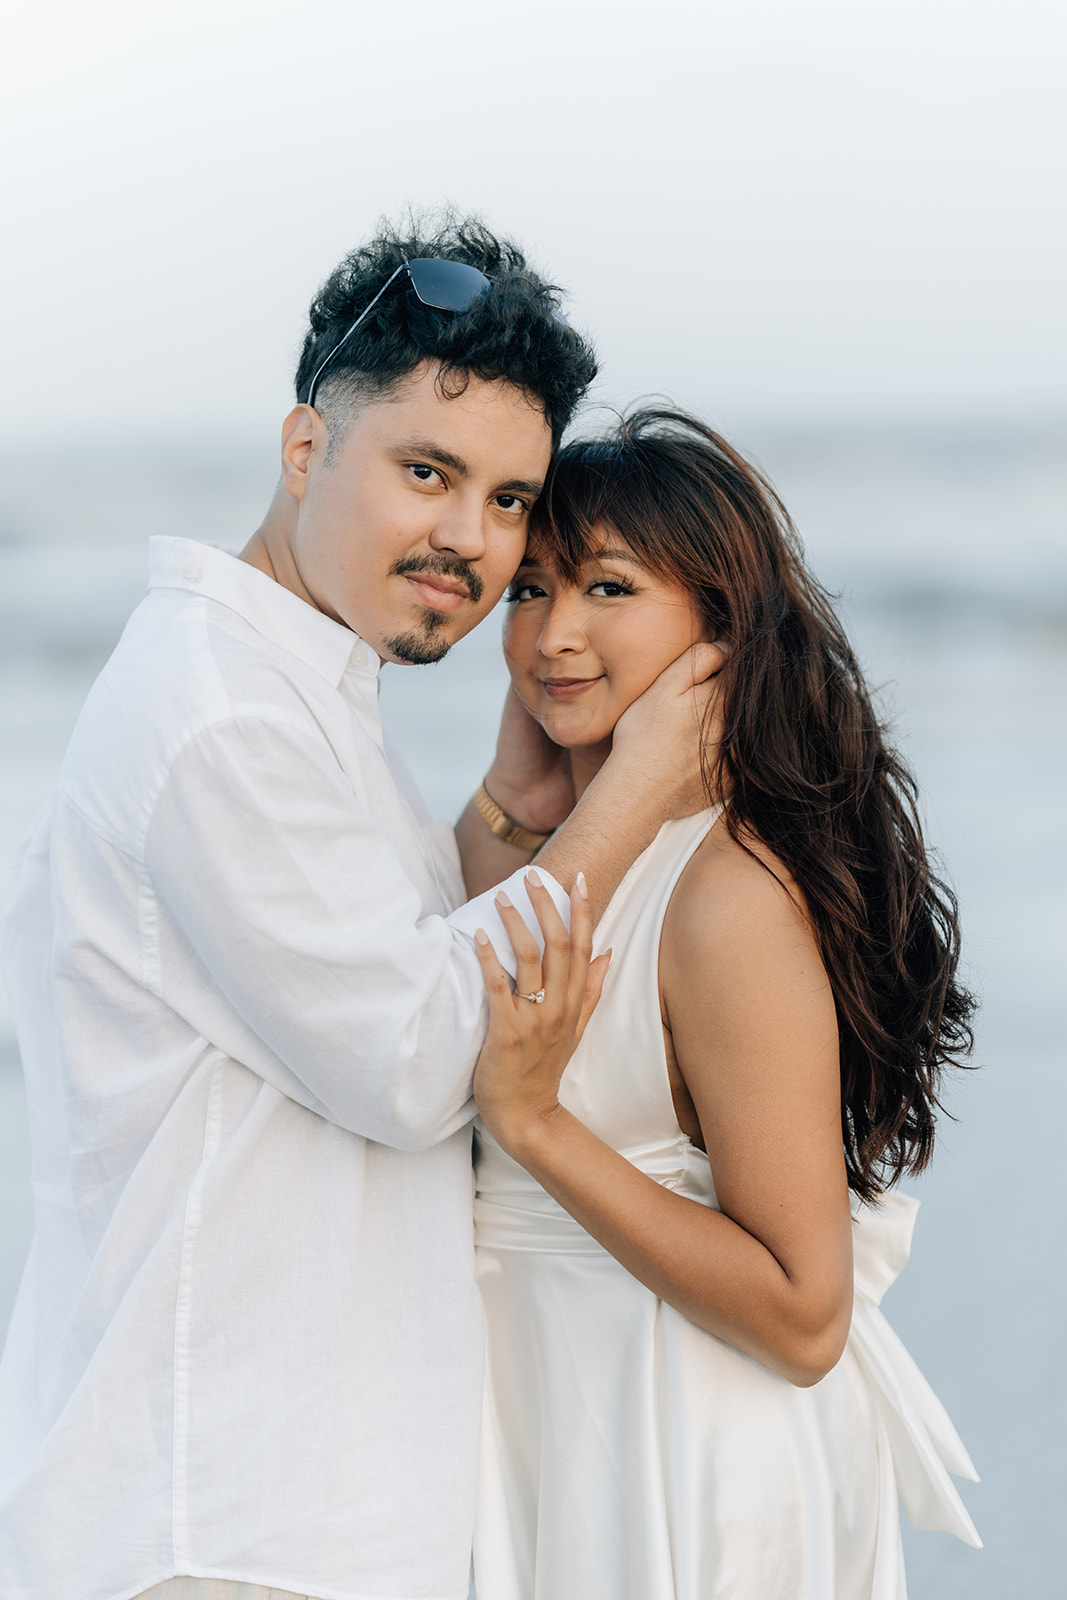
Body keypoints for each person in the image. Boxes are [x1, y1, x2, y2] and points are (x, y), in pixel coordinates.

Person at [0, 224, 722, 1600]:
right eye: (425, 472)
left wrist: (507, 816)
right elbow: (409, 1056)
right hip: (222, 1528)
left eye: (509, 500)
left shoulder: (290, 683)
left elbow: (353, 975)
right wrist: (627, 795)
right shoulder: (218, 717)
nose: (469, 537)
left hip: (282, 1512)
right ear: (301, 452)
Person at [469, 408, 982, 1600]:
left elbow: (806, 1318)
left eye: (607, 587)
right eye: (528, 590)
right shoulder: (570, 851)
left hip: (677, 1439)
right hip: (547, 1406)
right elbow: (426, 999)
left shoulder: (724, 895)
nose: (554, 634)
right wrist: (514, 799)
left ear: (719, 626)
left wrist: (539, 1127)